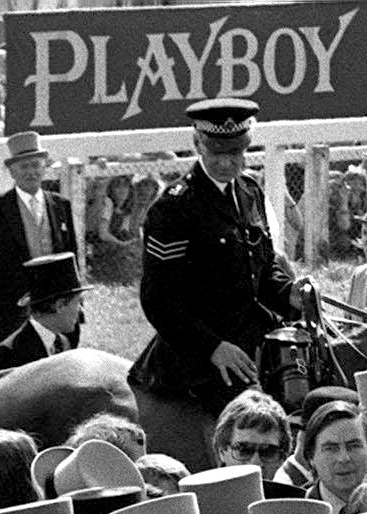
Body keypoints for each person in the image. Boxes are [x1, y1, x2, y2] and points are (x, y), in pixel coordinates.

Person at [127, 99, 306, 424]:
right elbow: (158, 300)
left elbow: (262, 272)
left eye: (235, 153)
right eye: (216, 153)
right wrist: (213, 347)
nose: (227, 163)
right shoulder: (173, 209)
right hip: (198, 354)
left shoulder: (250, 192)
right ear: (198, 144)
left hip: (255, 338)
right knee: (252, 425)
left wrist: (290, 293)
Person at [0, 129, 77, 351]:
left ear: (44, 166)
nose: (31, 172)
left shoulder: (60, 205)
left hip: (55, 302)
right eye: (24, 166)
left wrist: (76, 303)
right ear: (11, 170)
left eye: (36, 165)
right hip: (12, 306)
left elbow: (71, 255)